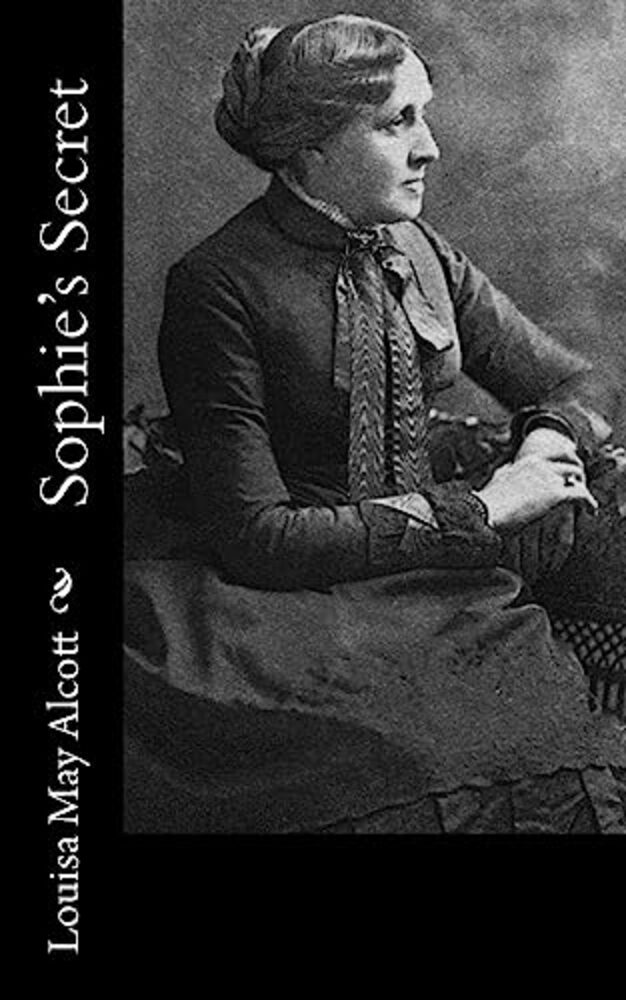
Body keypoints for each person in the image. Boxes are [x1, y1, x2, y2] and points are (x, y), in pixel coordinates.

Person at [138, 14, 625, 833]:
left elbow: (579, 377)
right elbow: (257, 536)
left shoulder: (418, 249)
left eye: (422, 115)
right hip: (279, 603)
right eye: (397, 121)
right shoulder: (218, 283)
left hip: (432, 579)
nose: (428, 147)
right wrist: (486, 508)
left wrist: (546, 440)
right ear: (310, 145)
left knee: (554, 742)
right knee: (409, 763)